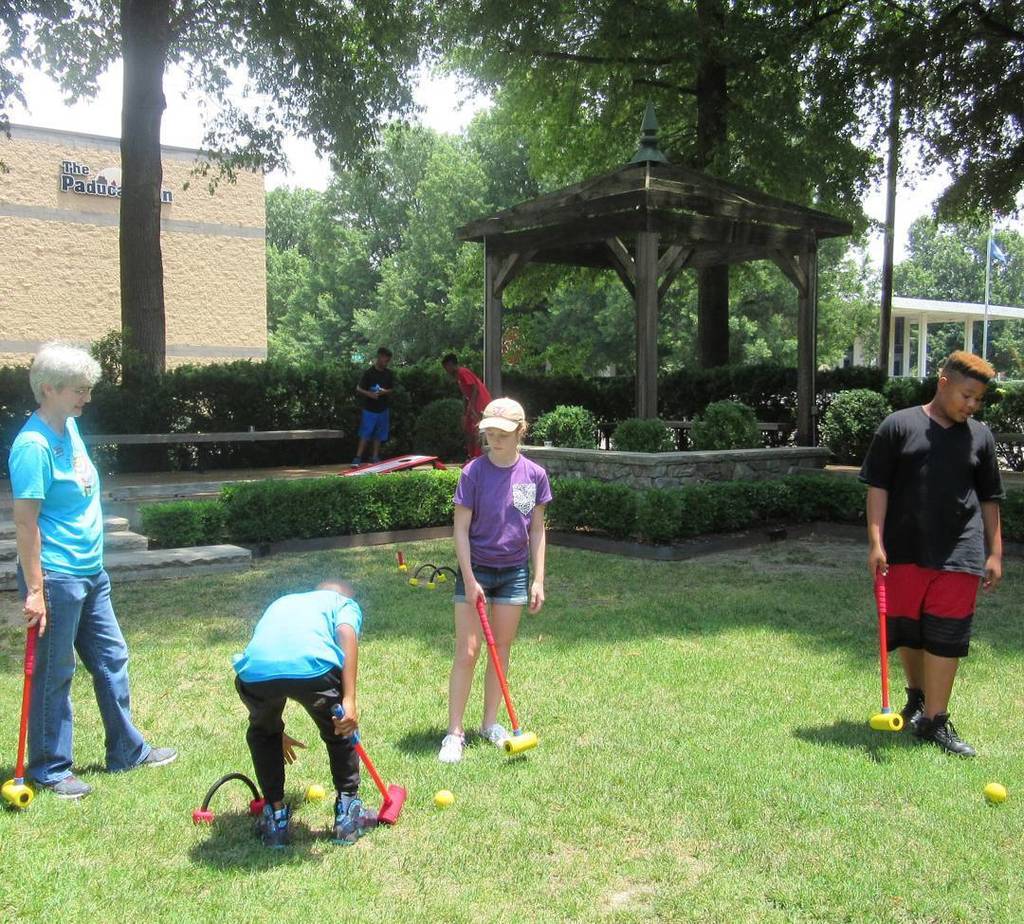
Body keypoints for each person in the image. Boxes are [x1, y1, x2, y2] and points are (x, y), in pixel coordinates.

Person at [8, 342, 176, 800]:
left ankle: (126, 749)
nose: (86, 398)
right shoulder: (33, 446)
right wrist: (36, 590)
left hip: (90, 571)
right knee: (55, 671)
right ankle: (49, 767)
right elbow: (25, 523)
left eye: (87, 389)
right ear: (49, 389)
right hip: (57, 577)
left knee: (111, 658)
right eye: (79, 390)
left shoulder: (69, 429)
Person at [860, 351, 1003, 757]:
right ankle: (918, 699)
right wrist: (876, 541)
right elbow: (878, 487)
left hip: (961, 548)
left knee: (947, 632)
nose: (972, 405)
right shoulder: (898, 426)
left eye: (978, 400)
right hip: (904, 548)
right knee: (910, 628)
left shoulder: (980, 436)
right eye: (966, 395)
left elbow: (991, 498)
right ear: (943, 382)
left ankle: (936, 721)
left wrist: (994, 552)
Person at [438, 398, 551, 763]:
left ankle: (489, 724)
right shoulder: (473, 472)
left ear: (521, 431)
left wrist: (538, 579)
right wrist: (469, 579)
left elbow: (537, 529)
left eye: (502, 433)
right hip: (478, 570)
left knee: (500, 652)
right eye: (488, 432)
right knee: (468, 651)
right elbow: (460, 529)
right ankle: (454, 732)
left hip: (514, 573)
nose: (493, 439)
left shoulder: (534, 475)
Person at [234, 580, 377, 847]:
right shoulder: (343, 603)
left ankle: (274, 818)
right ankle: (347, 813)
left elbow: (270, 654)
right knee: (340, 728)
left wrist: (272, 727)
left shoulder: (283, 601)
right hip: (313, 668)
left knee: (263, 735)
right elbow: (347, 634)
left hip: (254, 672)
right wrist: (349, 699)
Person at [442, 353, 492, 460]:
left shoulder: (462, 372)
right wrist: (465, 413)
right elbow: (466, 395)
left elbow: (474, 389)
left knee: (476, 431)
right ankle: (471, 456)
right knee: (468, 429)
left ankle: (478, 457)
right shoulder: (459, 376)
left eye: (446, 367)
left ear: (451, 364)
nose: (446, 370)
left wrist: (472, 407)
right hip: (473, 404)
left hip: (480, 403)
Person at [352, 346, 395, 467]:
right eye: (385, 360)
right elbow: (358, 388)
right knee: (365, 433)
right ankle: (357, 458)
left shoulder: (389, 374)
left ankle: (375, 457)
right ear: (379, 357)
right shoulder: (369, 373)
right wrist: (369, 394)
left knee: (379, 434)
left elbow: (391, 389)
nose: (386, 363)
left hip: (383, 409)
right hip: (369, 409)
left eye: (388, 361)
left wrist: (383, 392)